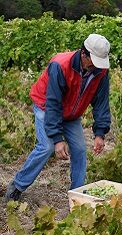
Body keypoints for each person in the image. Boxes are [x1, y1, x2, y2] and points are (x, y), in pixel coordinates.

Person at [5, 34, 111, 201]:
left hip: (71, 114)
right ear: (84, 53)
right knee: (47, 147)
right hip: (46, 107)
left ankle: (76, 195)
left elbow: (101, 103)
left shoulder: (101, 72)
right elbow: (53, 102)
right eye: (94, 61)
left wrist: (100, 133)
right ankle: (17, 186)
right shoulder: (60, 65)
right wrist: (57, 138)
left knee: (80, 149)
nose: (96, 66)